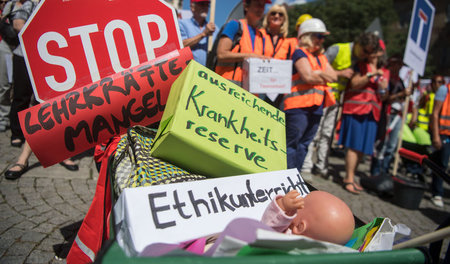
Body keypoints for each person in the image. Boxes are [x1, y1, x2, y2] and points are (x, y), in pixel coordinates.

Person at [4, 0, 78, 180]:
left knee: (62, 109)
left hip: (64, 62)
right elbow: (18, 24)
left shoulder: (71, 5)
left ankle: (63, 153)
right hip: (37, 59)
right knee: (40, 107)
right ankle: (23, 158)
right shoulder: (34, 4)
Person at [284, 18, 337, 172]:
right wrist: (321, 73)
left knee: (304, 145)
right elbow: (307, 76)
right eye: (318, 36)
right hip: (297, 107)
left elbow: (333, 77)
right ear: (307, 36)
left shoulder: (321, 57)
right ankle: (286, 178)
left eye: (323, 37)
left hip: (316, 107)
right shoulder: (299, 52)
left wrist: (318, 73)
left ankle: (296, 178)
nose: (322, 40)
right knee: (292, 145)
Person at [338, 32, 389, 194]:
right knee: (354, 146)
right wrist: (371, 75)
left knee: (361, 148)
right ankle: (348, 178)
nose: (376, 54)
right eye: (374, 51)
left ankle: (352, 178)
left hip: (372, 113)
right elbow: (354, 83)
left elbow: (384, 96)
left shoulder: (383, 70)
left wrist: (384, 88)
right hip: (357, 110)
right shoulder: (360, 65)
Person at [261, 190, 355, 245]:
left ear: (299, 227)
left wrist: (282, 206)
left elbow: (265, 230)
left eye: (298, 206)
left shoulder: (283, 240)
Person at [370, 55, 411, 177]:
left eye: (400, 65)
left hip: (397, 115)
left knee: (392, 145)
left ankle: (386, 170)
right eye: (396, 64)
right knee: (381, 144)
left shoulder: (401, 81)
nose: (398, 67)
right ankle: (376, 171)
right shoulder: (386, 79)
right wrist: (401, 93)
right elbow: (386, 98)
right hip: (388, 113)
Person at [215, 0, 271, 87]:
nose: (261, 8)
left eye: (263, 5)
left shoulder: (261, 35)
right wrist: (250, 56)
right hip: (227, 88)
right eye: (257, 4)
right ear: (246, 6)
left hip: (250, 93)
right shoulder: (234, 25)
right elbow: (221, 54)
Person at [259, 4, 296, 108]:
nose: (277, 16)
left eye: (281, 14)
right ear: (268, 17)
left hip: (278, 88)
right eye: (273, 13)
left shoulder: (288, 42)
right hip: (259, 85)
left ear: (284, 19)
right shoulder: (259, 35)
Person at [429, 78, 449, 208]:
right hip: (443, 133)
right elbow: (435, 113)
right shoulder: (444, 89)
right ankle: (437, 193)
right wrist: (436, 135)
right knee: (441, 163)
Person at [178, 0, 217, 66]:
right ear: (192, 7)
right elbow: (180, 45)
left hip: (207, 72)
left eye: (207, 5)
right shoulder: (182, 24)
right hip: (188, 71)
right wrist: (203, 34)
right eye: (202, 4)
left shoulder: (215, 29)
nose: (205, 7)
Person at [0, 0, 12, 132]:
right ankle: (4, 117)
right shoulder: (11, 5)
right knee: (5, 84)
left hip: (21, 50)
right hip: (8, 48)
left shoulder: (32, 4)